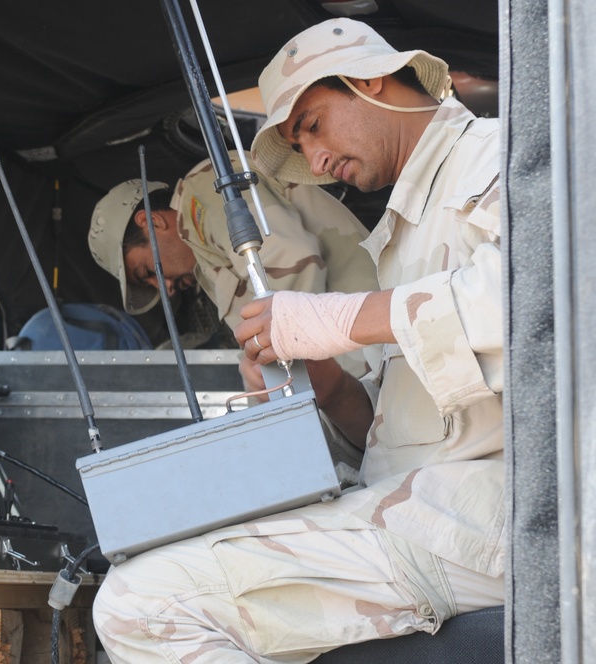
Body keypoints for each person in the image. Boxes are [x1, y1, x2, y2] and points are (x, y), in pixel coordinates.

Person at [92, 17, 503, 663]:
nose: (313, 162)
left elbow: (549, 301)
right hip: (420, 506)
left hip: (491, 518)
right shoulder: (404, 228)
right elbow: (417, 427)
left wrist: (331, 319)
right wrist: (332, 385)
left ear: (370, 79)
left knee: (143, 606)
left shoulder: (502, 156)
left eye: (311, 124)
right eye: (299, 143)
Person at [88, 151, 378, 377]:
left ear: (150, 222)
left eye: (148, 272)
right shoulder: (204, 252)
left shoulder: (203, 188)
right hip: (363, 358)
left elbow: (288, 263)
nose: (166, 288)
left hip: (372, 350)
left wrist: (282, 385)